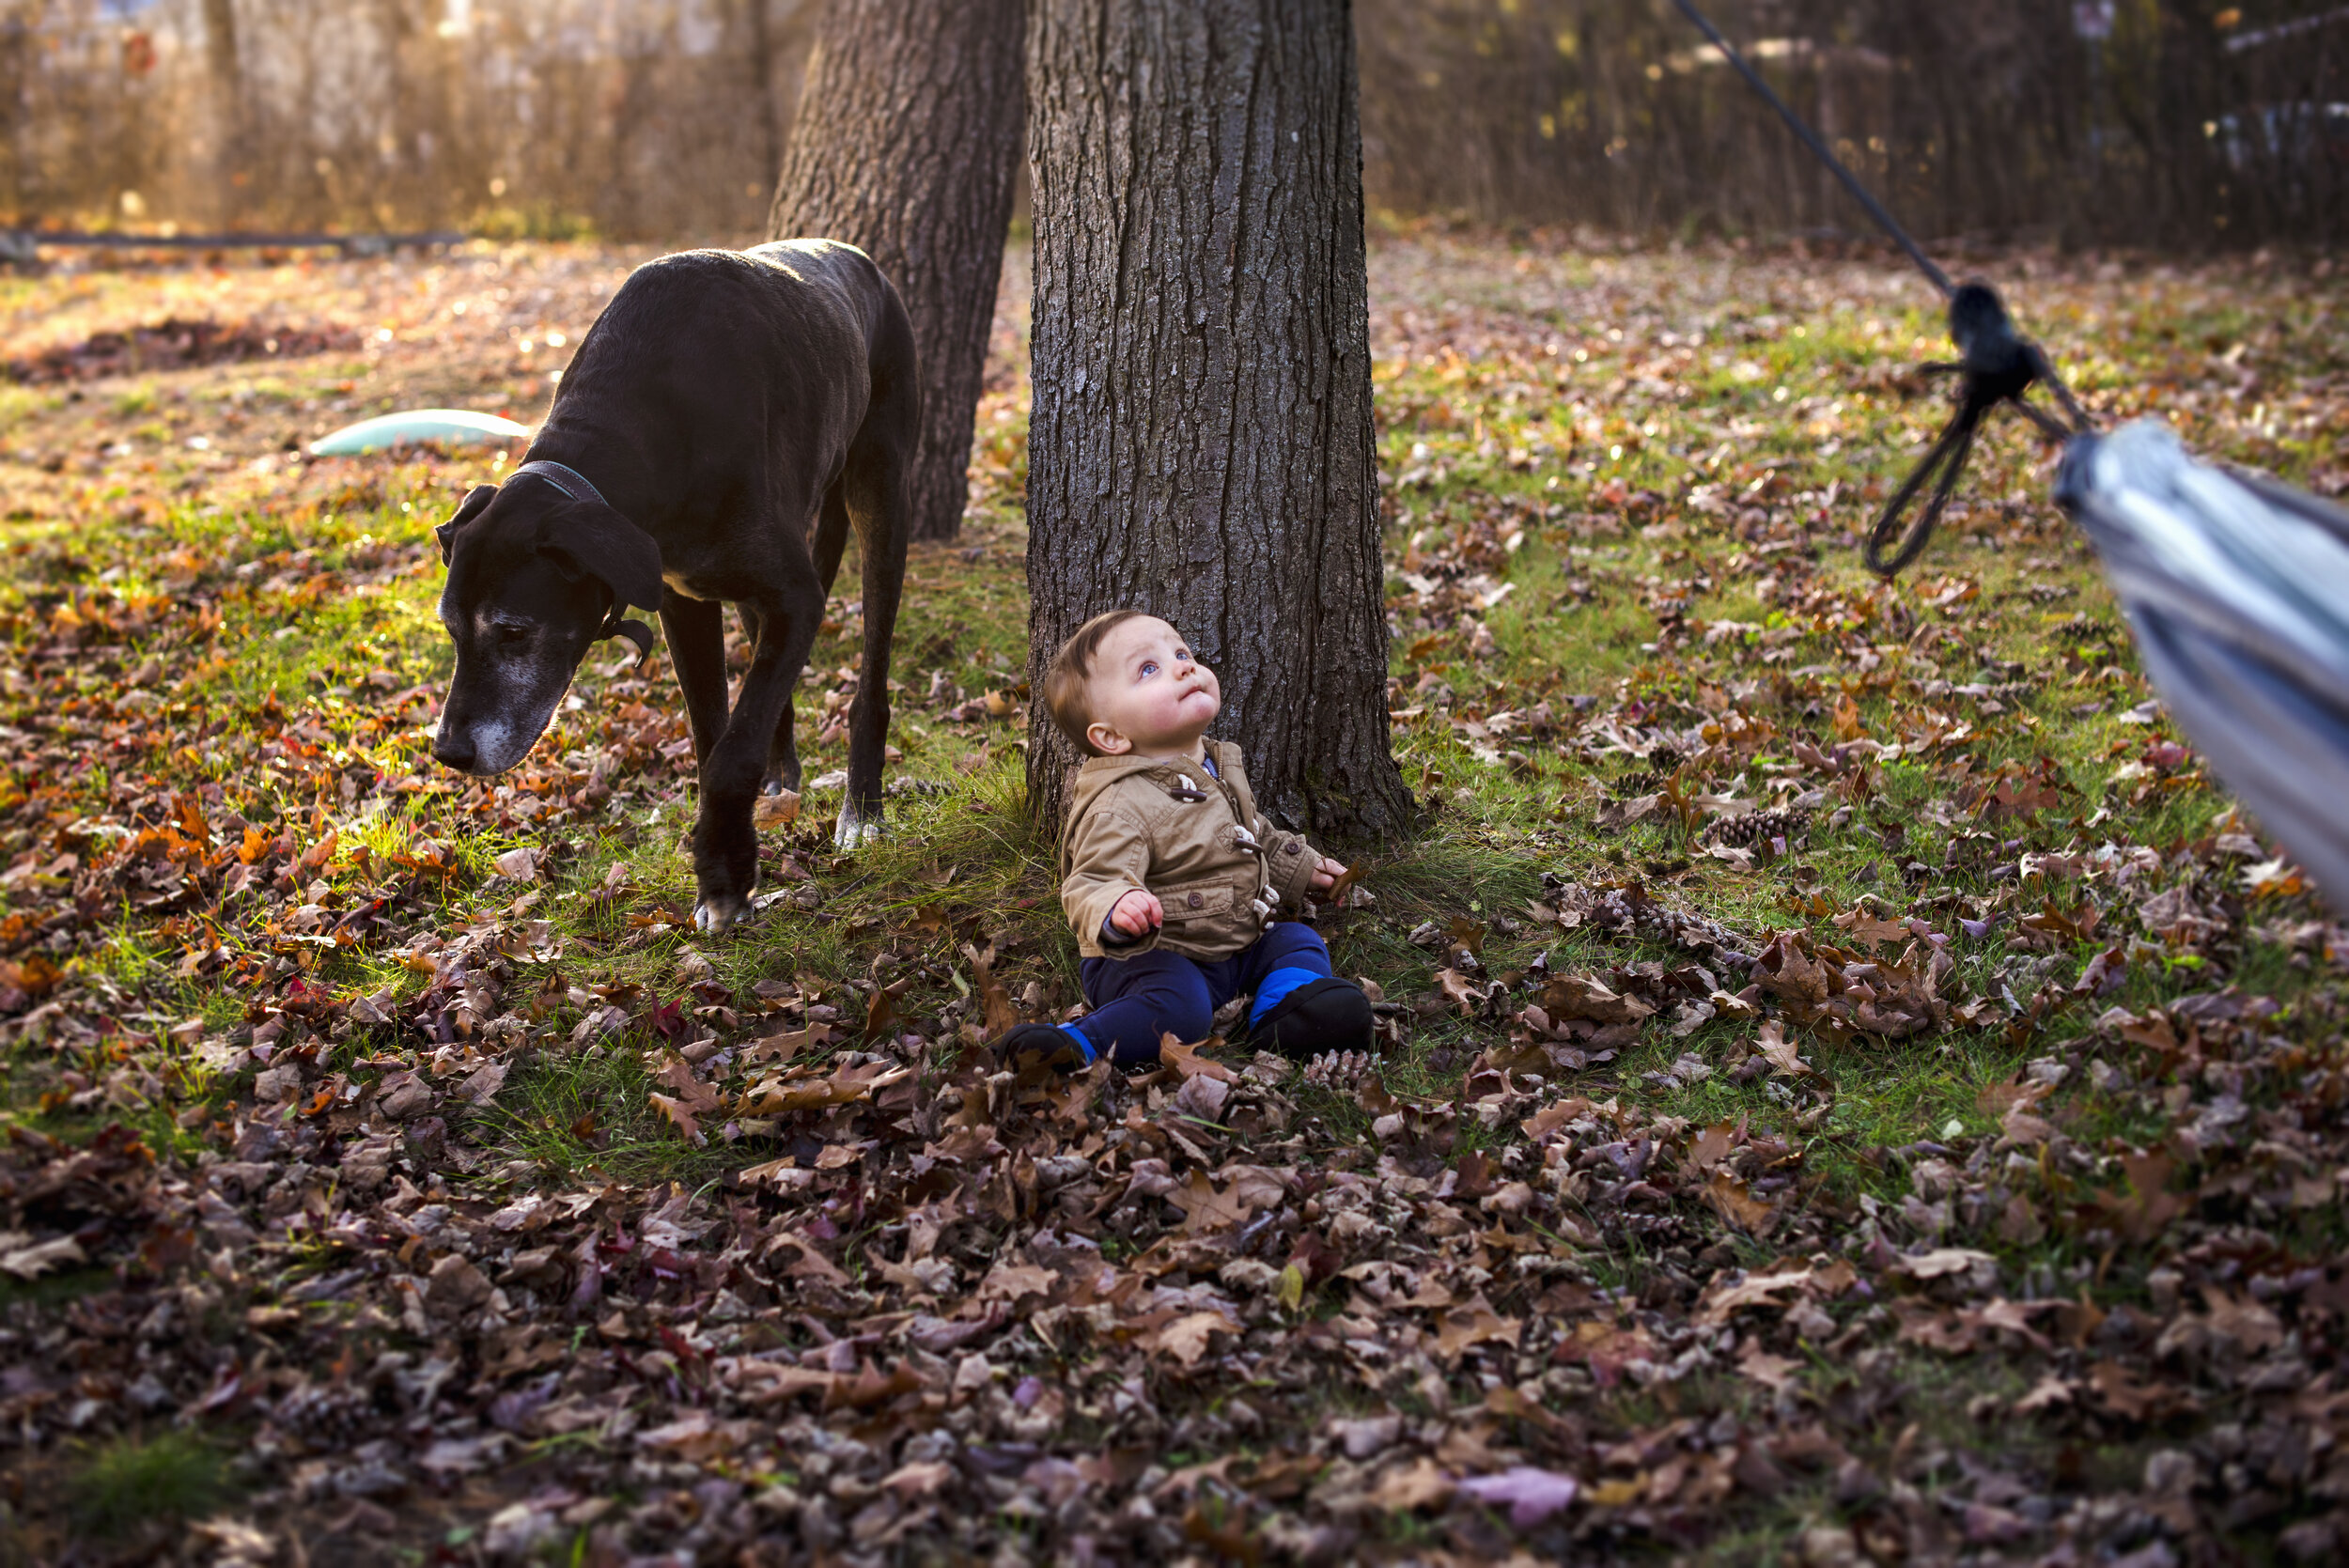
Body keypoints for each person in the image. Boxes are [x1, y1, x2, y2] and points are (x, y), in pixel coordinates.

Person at [996, 609, 1376, 1069]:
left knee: (1297, 940)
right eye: (1149, 669)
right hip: (1152, 958)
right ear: (1111, 737)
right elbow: (1092, 879)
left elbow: (1249, 834)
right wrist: (1117, 909)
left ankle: (1288, 1010)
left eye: (1182, 652)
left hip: (1236, 940)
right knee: (1182, 1008)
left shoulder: (1215, 764)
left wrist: (1299, 866)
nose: (1184, 666)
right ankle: (1077, 1044)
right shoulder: (1120, 803)